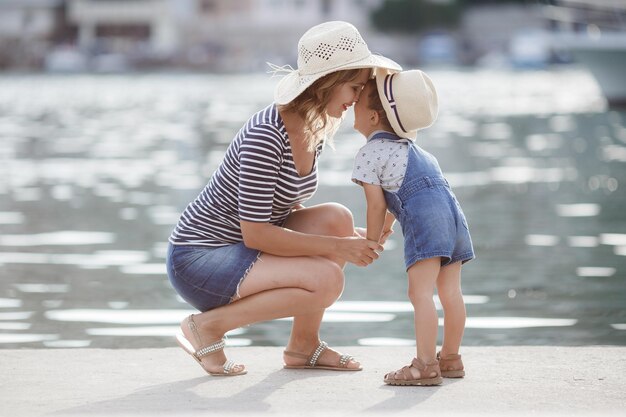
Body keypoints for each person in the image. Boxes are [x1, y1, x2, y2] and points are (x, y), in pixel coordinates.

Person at [165, 21, 402, 376]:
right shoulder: (267, 134)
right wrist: (338, 249)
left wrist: (347, 238)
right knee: (328, 279)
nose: (357, 98)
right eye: (354, 87)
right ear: (329, 82)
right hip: (200, 258)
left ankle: (303, 346)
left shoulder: (312, 126)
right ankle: (208, 326)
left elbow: (283, 208)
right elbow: (256, 234)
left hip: (240, 247)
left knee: (338, 219)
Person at [351, 69, 475, 386]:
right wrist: (390, 227)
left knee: (420, 293)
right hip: (454, 219)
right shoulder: (418, 151)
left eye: (358, 102)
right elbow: (407, 192)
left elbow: (378, 204)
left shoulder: (368, 154)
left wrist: (371, 239)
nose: (353, 105)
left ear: (374, 116)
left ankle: (424, 365)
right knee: (451, 292)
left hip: (425, 222)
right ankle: (451, 358)